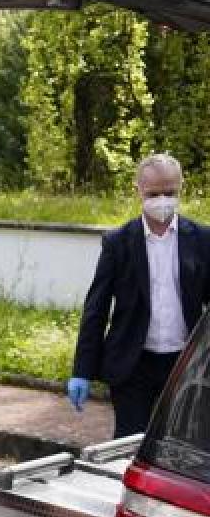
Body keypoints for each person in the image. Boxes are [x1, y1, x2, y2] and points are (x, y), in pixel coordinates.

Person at [68, 153, 210, 438]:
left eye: (169, 192)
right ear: (138, 192)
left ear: (181, 188)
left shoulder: (202, 239)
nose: (162, 200)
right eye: (153, 193)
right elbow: (97, 307)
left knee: (182, 447)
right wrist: (81, 369)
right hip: (132, 364)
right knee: (129, 446)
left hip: (186, 365)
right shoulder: (118, 242)